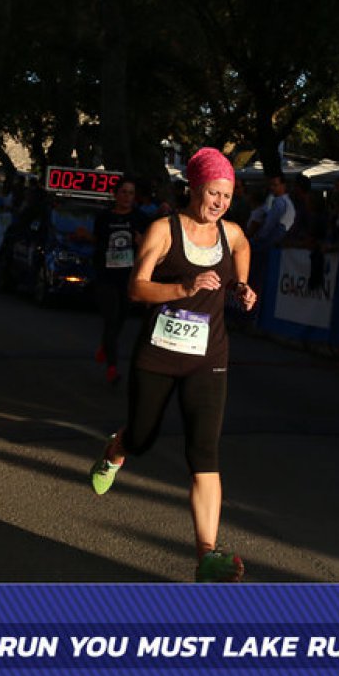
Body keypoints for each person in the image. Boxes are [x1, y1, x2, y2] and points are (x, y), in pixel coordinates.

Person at [88, 148, 257, 583]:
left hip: (209, 357)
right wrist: (184, 287)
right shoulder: (164, 230)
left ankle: (207, 555)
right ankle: (116, 450)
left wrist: (241, 285)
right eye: (213, 193)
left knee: (205, 454)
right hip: (159, 353)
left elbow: (243, 245)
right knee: (142, 438)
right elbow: (137, 288)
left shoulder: (230, 232)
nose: (220, 202)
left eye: (227, 196)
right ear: (194, 188)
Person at [92, 177, 149, 385]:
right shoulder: (104, 217)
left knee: (120, 319)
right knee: (111, 318)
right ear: (115, 194)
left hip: (129, 277)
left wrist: (142, 243)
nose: (127, 196)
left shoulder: (141, 218)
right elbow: (98, 242)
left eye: (131, 193)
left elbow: (150, 247)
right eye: (123, 192)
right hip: (106, 277)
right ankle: (112, 367)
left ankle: (106, 345)